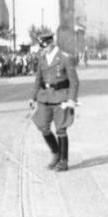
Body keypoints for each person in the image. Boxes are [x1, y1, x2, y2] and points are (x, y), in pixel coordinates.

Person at [29, 31, 79, 172]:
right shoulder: (42, 58)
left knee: (61, 129)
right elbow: (38, 79)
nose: (42, 48)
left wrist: (71, 99)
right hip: (44, 97)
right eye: (41, 46)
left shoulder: (64, 58)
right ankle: (56, 153)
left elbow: (74, 81)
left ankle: (63, 161)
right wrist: (32, 97)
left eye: (44, 45)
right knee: (43, 126)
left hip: (60, 97)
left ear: (51, 43)